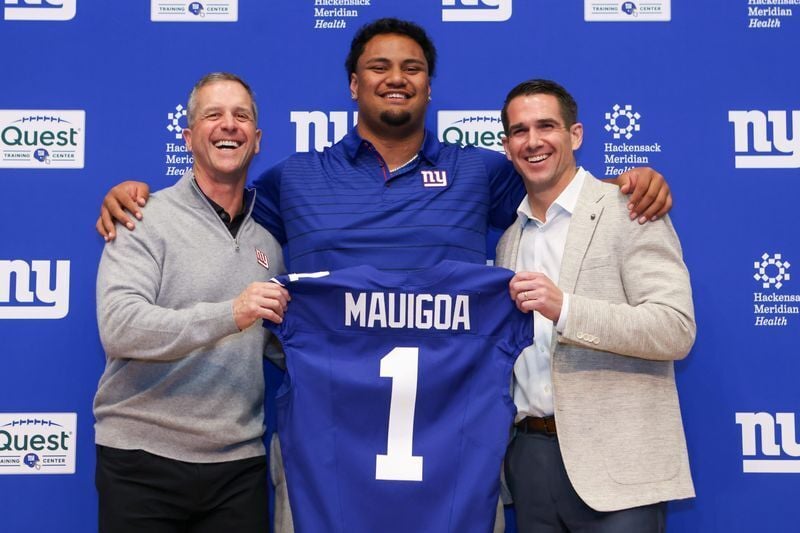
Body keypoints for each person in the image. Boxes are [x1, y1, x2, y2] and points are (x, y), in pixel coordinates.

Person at [94, 19, 674, 532]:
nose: (396, 78)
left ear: (429, 86)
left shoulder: (479, 174)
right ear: (353, 84)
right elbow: (219, 209)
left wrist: (627, 184)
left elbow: (554, 190)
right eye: (379, 66)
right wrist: (140, 197)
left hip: (452, 452)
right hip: (326, 453)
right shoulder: (296, 179)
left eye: (412, 68)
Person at [496, 79, 696, 532]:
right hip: (529, 462)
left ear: (575, 135)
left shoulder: (629, 209)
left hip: (619, 468)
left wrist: (566, 309)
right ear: (507, 147)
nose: (533, 141)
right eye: (520, 131)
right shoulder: (510, 239)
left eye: (546, 126)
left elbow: (675, 328)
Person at [94, 72, 289, 533]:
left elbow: (277, 344)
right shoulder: (141, 217)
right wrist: (231, 313)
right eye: (213, 115)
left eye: (241, 116)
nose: (229, 125)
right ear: (187, 137)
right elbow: (120, 327)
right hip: (141, 459)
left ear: (257, 140)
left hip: (237, 466)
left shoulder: (269, 244)